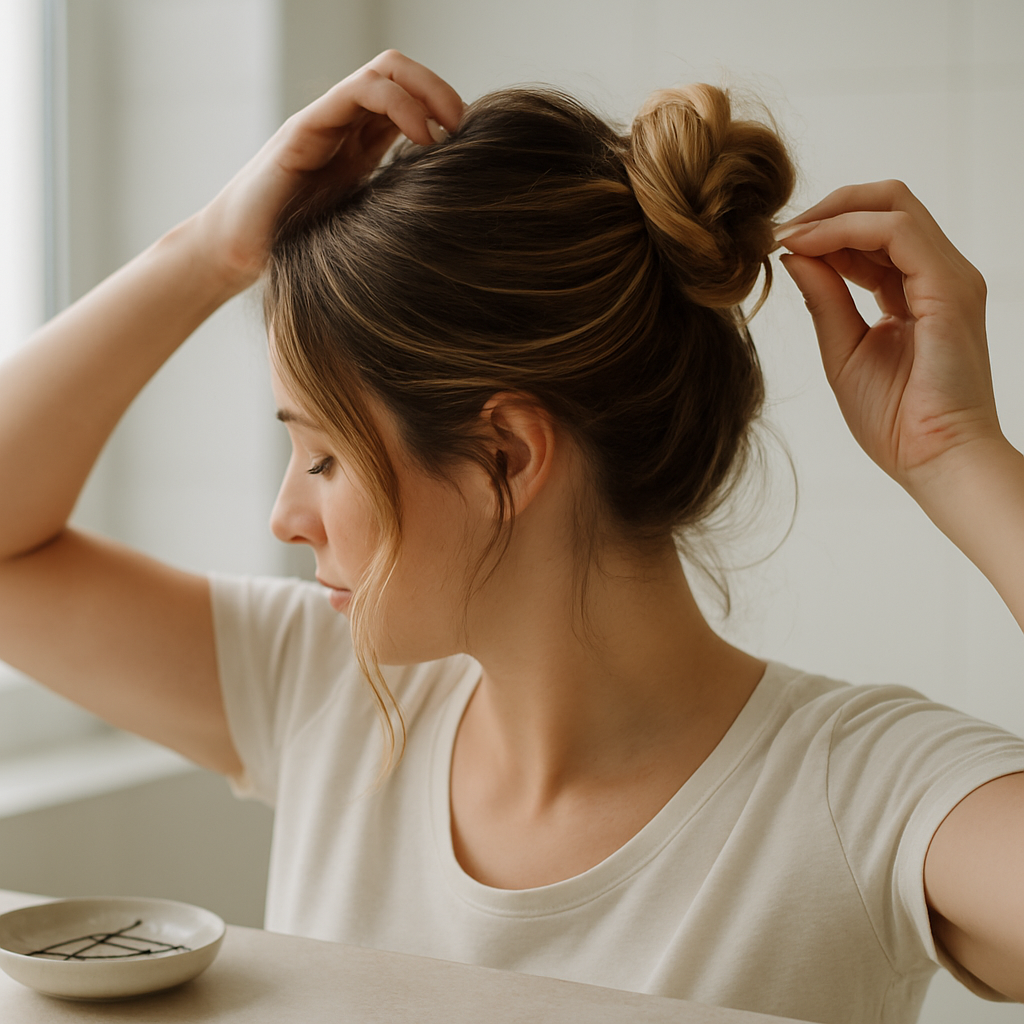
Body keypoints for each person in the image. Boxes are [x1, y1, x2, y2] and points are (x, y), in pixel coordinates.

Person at [0, 49, 1021, 1023]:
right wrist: (209, 247)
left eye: (323, 457)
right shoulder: (325, 691)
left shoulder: (865, 796)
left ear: (506, 460)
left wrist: (958, 453)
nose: (287, 514)